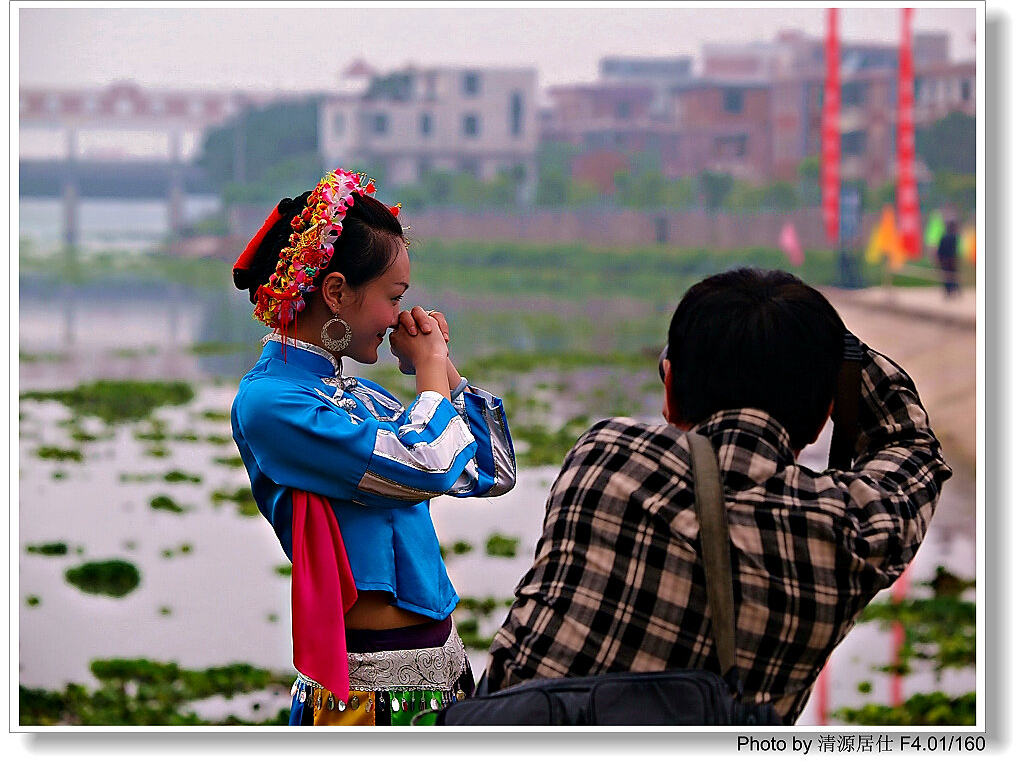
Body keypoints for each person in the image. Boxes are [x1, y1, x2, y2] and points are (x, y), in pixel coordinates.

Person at [484, 267, 951, 724]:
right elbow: (910, 444)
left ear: (670, 390)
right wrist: (838, 347)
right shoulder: (854, 529)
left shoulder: (605, 458)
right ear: (822, 417)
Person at [230, 167, 516, 726]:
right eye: (395, 297)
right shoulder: (274, 405)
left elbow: (491, 469)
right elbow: (428, 467)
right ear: (337, 292)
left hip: (447, 676)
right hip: (363, 697)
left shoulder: (361, 396)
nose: (398, 319)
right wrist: (429, 374)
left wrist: (444, 375)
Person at [936, 219, 961, 297]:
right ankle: (955, 289)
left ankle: (950, 290)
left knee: (947, 276)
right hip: (951, 259)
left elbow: (940, 249)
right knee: (952, 275)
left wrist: (940, 258)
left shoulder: (945, 236)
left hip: (945, 259)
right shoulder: (955, 237)